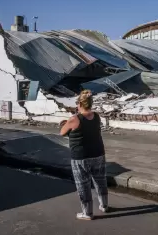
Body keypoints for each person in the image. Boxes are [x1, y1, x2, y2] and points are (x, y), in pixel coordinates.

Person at [60, 90, 108, 220]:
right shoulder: (97, 116)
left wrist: (65, 123)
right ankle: (104, 205)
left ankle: (87, 213)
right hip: (98, 153)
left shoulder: (74, 119)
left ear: (80, 104)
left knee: (83, 184)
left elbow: (62, 132)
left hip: (81, 156)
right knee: (100, 180)